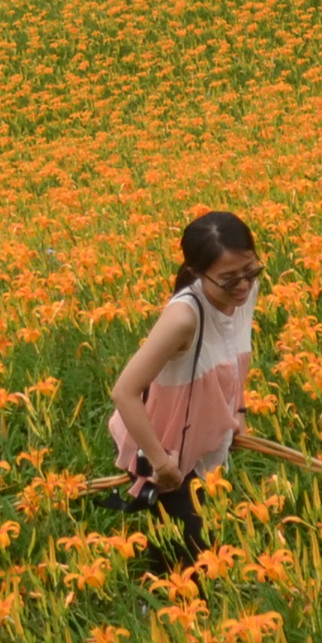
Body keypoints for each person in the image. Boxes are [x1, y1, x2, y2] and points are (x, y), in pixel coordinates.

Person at [107, 210, 260, 570]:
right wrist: (160, 462)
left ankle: (160, 580)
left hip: (201, 434)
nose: (243, 286)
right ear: (196, 273)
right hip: (160, 440)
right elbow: (124, 392)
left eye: (250, 271)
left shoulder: (242, 290)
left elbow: (240, 351)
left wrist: (238, 413)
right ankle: (165, 607)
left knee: (186, 532)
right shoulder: (183, 318)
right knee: (197, 553)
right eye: (228, 279)